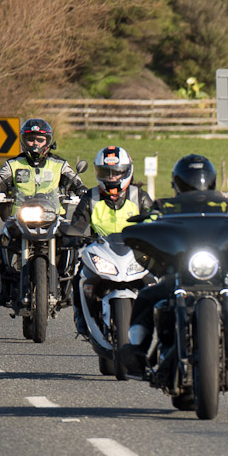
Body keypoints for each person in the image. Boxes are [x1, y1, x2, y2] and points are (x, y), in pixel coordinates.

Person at [117, 154, 228, 375]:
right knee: (147, 296)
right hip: (178, 273)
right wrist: (141, 229)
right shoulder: (164, 207)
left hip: (217, 271)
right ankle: (136, 352)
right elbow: (149, 224)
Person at [0, 118, 85, 305]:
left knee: (74, 243)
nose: (35, 144)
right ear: (23, 140)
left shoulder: (59, 165)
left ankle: (71, 287)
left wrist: (82, 192)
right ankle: (1, 289)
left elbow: (76, 182)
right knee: (2, 241)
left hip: (54, 217)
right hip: (20, 218)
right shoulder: (13, 164)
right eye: (31, 139)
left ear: (47, 141)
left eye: (40, 139)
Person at [67, 145, 153, 338]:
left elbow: (154, 222)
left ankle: (162, 319)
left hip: (135, 254)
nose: (111, 178)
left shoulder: (139, 197)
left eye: (116, 173)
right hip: (102, 253)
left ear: (126, 172)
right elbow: (77, 225)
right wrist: (72, 236)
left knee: (158, 280)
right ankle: (81, 316)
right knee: (78, 276)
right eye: (107, 173)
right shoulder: (91, 197)